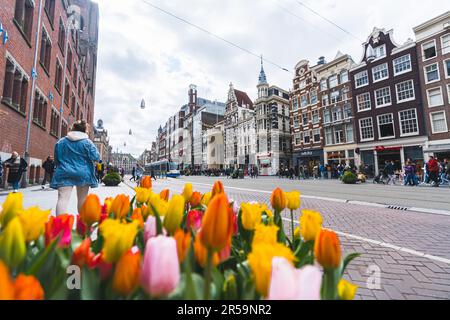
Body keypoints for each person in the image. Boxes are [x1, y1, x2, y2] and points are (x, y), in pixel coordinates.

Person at [51, 120, 100, 216]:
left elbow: (56, 159)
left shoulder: (61, 142)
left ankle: (61, 225)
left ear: (72, 128)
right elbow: (96, 157)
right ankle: (82, 224)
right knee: (82, 199)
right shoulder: (88, 143)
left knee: (62, 199)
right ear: (85, 131)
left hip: (64, 171)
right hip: (83, 173)